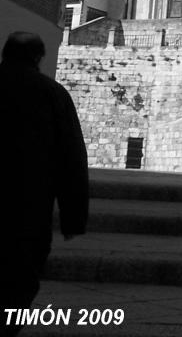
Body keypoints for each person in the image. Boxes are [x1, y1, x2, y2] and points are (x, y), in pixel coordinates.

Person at [0, 32, 88, 336]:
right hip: (28, 209)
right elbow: (72, 159)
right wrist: (73, 219)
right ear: (39, 58)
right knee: (19, 279)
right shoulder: (53, 94)